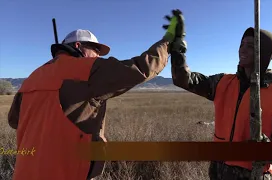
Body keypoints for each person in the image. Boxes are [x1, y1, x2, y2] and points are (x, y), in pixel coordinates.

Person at [7, 10, 186, 180]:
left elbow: (14, 121)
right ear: (79, 46)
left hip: (25, 172)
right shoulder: (85, 70)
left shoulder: (33, 77)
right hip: (65, 173)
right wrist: (167, 41)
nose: (98, 56)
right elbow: (141, 68)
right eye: (96, 50)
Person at [170, 27, 272, 180]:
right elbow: (183, 79)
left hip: (253, 175)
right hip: (218, 173)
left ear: (264, 53)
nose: (242, 50)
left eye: (251, 46)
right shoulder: (222, 82)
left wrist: (265, 149)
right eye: (242, 44)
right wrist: (178, 51)